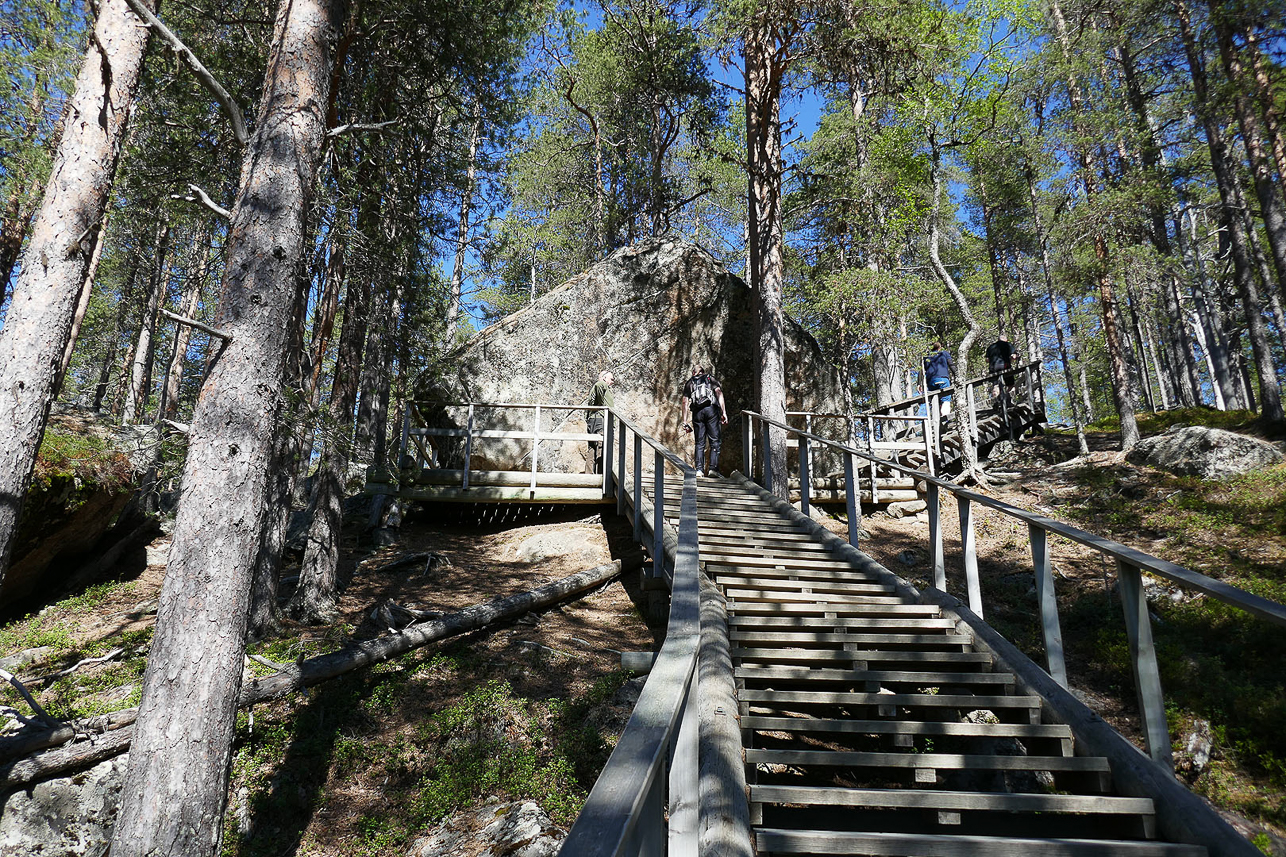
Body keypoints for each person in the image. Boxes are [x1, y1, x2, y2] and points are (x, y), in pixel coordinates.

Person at [681, 363, 727, 476]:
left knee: (699, 442)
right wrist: (724, 412)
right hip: (711, 410)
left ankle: (699, 470)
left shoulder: (690, 382)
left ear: (693, 372)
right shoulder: (710, 378)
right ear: (703, 371)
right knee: (715, 441)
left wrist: (684, 421)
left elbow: (684, 401)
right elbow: (719, 392)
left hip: (697, 413)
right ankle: (713, 469)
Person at [586, 370, 614, 474]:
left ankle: (589, 476)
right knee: (601, 447)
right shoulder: (602, 384)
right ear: (604, 378)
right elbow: (599, 385)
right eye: (611, 379)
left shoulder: (599, 387)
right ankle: (601, 475)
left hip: (593, 419)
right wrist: (603, 406)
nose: (612, 382)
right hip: (600, 419)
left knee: (592, 448)